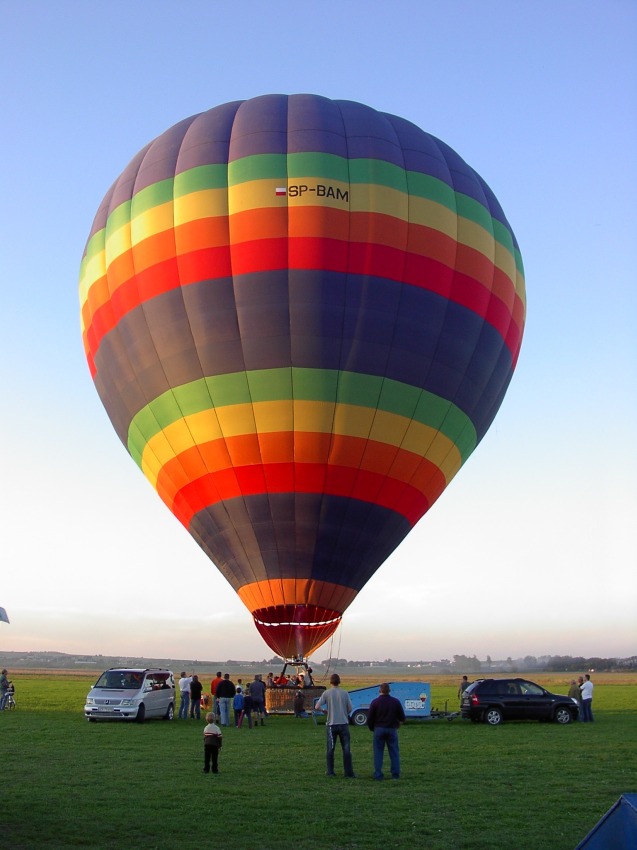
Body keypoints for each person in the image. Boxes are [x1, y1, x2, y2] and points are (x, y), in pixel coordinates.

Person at [315, 673, 355, 778]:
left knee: (330, 749)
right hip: (343, 724)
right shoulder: (344, 693)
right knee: (346, 749)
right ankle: (348, 772)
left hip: (331, 725)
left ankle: (330, 771)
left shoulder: (327, 693)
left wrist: (324, 710)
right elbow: (350, 708)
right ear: (339, 681)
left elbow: (317, 706)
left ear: (330, 682)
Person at [366, 683, 406, 780]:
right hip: (392, 729)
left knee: (378, 753)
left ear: (380, 691)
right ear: (389, 691)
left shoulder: (375, 702)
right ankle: (395, 774)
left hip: (379, 729)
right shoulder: (395, 702)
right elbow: (402, 717)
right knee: (394, 752)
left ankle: (378, 774)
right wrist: (398, 723)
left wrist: (372, 728)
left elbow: (370, 718)